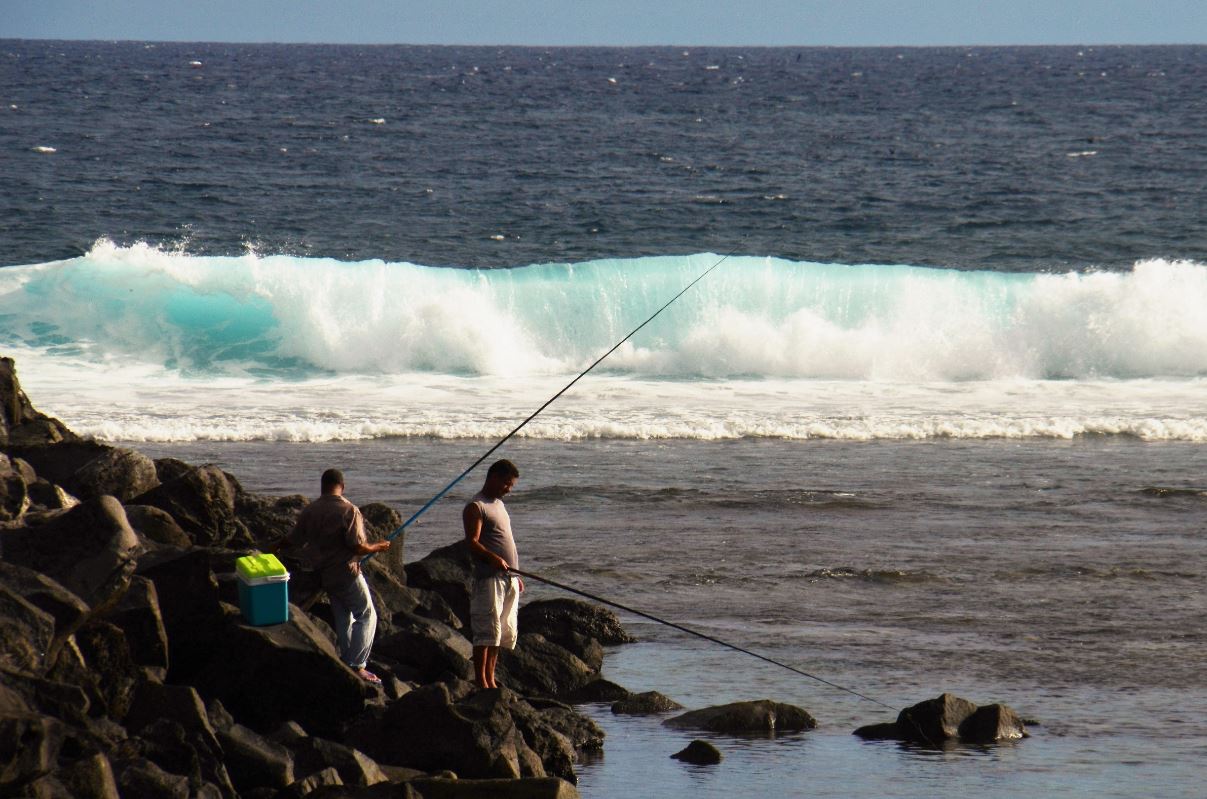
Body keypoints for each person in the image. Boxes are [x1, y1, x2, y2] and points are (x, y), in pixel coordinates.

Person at [282, 468, 390, 684]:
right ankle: (358, 665)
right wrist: (379, 546)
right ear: (342, 486)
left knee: (344, 617)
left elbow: (293, 540)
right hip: (346, 573)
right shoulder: (349, 510)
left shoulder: (310, 511)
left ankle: (347, 661)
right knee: (367, 615)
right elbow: (358, 546)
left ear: (322, 486)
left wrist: (273, 546)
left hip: (324, 574)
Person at [463, 458, 523, 689]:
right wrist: (494, 559)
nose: (508, 489)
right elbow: (472, 542)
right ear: (494, 477)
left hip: (510, 578)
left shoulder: (499, 504)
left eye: (511, 485)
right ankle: (481, 681)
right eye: (506, 484)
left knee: (501, 632)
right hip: (489, 578)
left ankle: (491, 678)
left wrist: (517, 576)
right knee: (486, 631)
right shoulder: (476, 506)